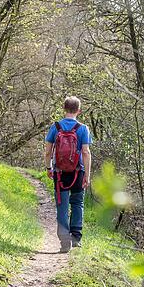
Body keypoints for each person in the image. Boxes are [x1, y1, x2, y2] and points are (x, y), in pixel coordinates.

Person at [44, 96, 92, 253]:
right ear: (79, 110)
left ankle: (65, 241)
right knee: (77, 203)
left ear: (64, 109)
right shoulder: (83, 129)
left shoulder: (55, 127)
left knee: (62, 205)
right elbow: (85, 151)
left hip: (60, 173)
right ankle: (76, 238)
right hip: (78, 172)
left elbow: (48, 151)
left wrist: (49, 168)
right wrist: (87, 175)